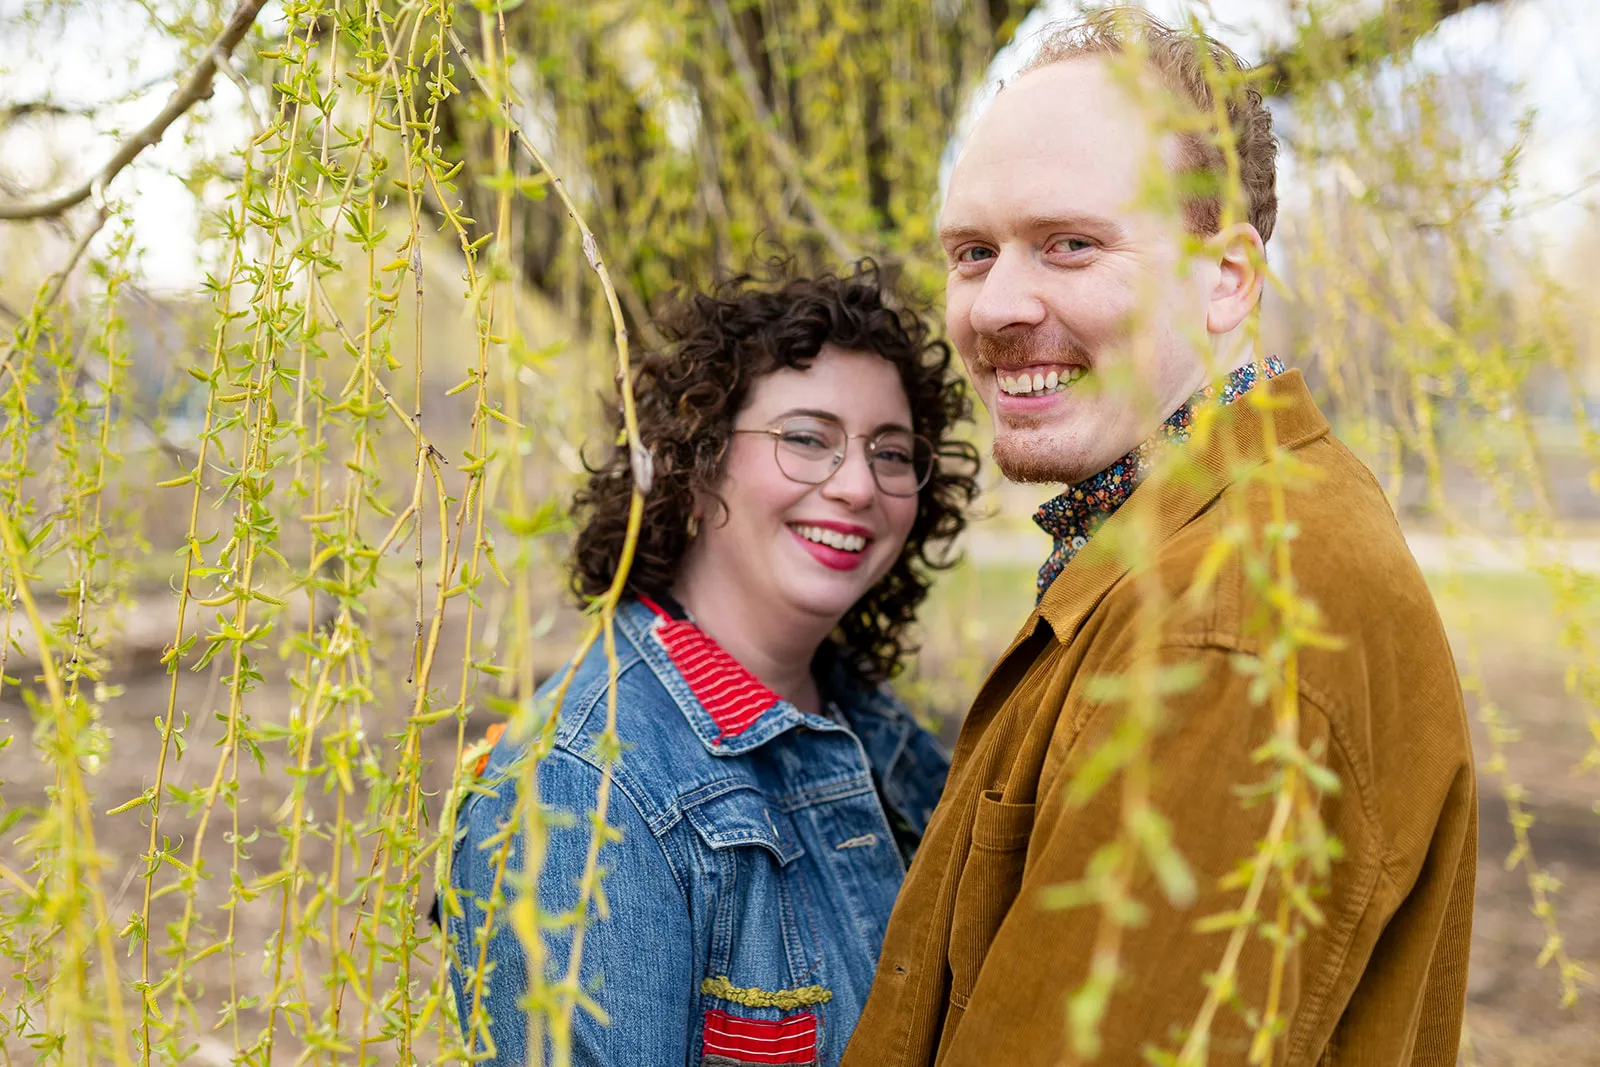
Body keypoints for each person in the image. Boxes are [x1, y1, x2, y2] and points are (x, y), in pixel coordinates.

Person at [842, 10, 1476, 1067]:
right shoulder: (1187, 540)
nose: (994, 305)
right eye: (970, 251)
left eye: (1070, 244)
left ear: (1227, 277)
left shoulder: (1224, 629)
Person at [444, 264, 979, 1066]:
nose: (861, 484)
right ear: (694, 468)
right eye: (807, 438)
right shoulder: (578, 786)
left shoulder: (887, 741)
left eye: (892, 452)